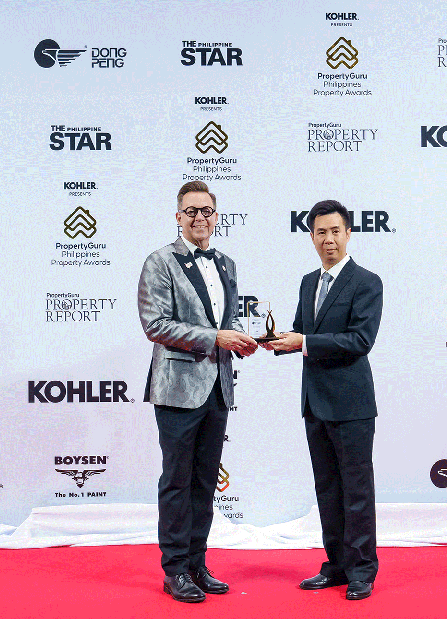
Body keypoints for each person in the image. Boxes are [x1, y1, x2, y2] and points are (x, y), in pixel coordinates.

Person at [137, 180, 258, 603]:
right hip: (177, 389)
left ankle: (196, 564)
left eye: (206, 210)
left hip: (218, 387)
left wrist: (242, 340)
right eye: (191, 211)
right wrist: (215, 338)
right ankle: (174, 571)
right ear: (178, 217)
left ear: (216, 216)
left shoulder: (226, 263)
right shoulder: (160, 261)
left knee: (205, 482)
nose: (199, 217)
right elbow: (156, 324)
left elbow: (228, 321)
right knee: (177, 480)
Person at [264, 199, 383, 601]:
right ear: (311, 237)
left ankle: (362, 570)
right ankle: (336, 565)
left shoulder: (367, 282)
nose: (328, 239)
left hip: (352, 405)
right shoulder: (307, 282)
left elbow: (360, 340)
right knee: (328, 490)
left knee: (357, 491)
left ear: (348, 233)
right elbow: (302, 332)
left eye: (335, 231)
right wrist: (273, 342)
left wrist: (303, 342)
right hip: (314, 402)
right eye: (320, 232)